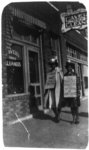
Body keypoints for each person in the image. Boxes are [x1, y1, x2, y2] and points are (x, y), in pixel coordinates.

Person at [43, 58, 63, 122]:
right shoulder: (49, 73)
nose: (52, 66)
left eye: (53, 64)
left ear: (55, 64)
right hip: (51, 90)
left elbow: (62, 80)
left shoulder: (59, 71)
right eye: (51, 64)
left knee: (59, 103)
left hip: (58, 90)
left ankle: (58, 115)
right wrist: (46, 90)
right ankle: (57, 115)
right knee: (52, 104)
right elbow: (47, 82)